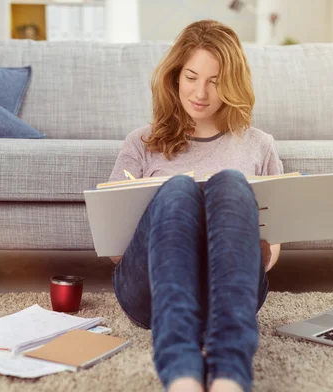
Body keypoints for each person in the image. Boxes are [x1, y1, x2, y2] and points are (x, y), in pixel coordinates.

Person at [108, 20, 283, 392]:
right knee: (177, 190)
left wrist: (254, 238)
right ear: (175, 76)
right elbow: (114, 251)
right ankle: (181, 373)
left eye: (215, 81)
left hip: (230, 289)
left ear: (232, 83)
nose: (200, 92)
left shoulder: (259, 145)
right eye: (191, 76)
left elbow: (274, 253)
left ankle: (230, 377)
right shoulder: (140, 142)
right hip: (150, 292)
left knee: (231, 182)